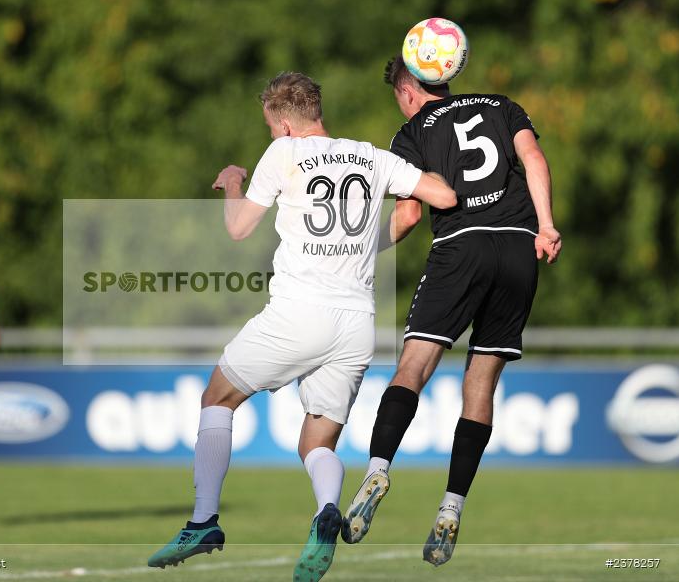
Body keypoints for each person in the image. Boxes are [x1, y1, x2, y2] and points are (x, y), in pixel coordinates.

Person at [147, 72, 457, 581]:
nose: (273, 136)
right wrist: (369, 243)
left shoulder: (284, 153)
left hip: (299, 312)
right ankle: (326, 512)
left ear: (285, 124)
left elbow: (238, 228)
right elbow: (432, 202)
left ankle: (203, 522)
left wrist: (233, 183)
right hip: (356, 323)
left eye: (271, 128)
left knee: (217, 398)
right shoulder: (372, 156)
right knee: (316, 444)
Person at [341, 56, 562, 566]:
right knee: (481, 383)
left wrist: (363, 248)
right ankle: (451, 506)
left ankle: (377, 470)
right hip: (518, 246)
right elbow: (533, 159)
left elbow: (409, 213)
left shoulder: (411, 132)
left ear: (406, 90)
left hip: (461, 247)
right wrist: (547, 225)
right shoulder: (502, 106)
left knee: (413, 368)